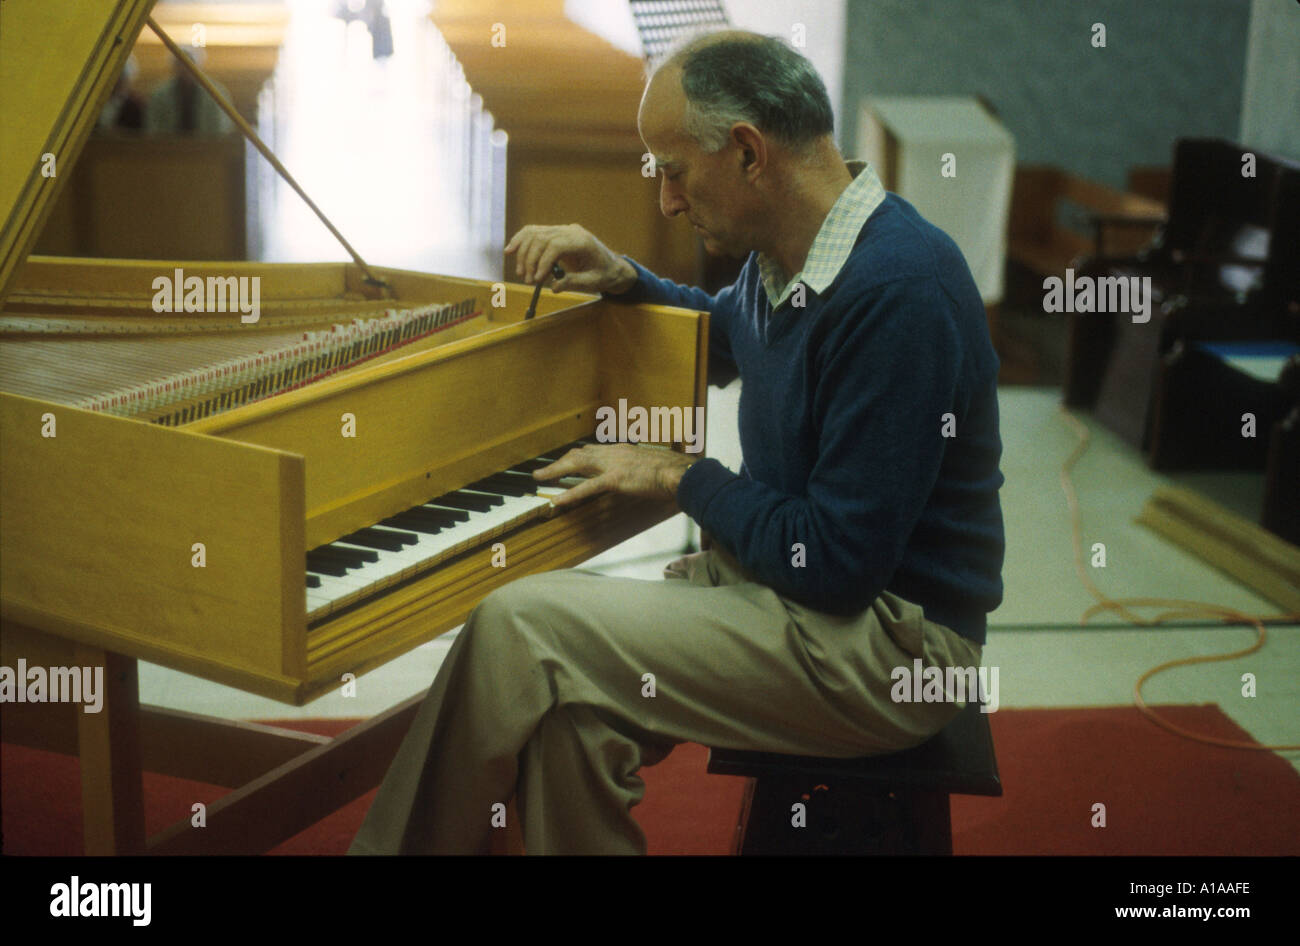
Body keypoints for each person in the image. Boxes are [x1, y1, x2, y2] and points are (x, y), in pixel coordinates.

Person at [349, 29, 1004, 855]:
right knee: (570, 714)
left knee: (522, 623)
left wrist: (680, 476)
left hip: (892, 650)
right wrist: (627, 278)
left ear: (747, 152)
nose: (664, 201)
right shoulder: (792, 257)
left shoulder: (897, 291)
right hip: (813, 610)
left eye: (673, 170)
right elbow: (723, 335)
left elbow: (836, 565)